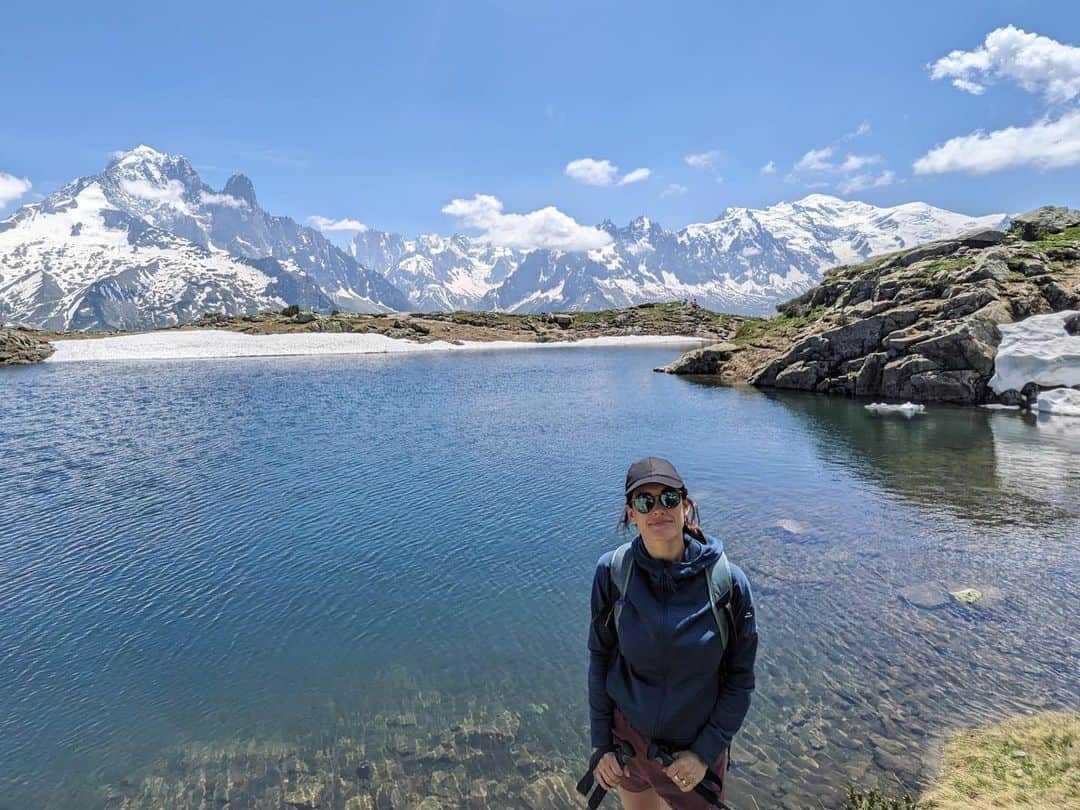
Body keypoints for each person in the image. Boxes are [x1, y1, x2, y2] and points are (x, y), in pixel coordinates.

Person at [586, 457, 757, 809]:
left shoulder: (728, 584)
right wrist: (602, 745)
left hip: (691, 758)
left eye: (668, 498)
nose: (658, 509)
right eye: (644, 502)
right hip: (628, 749)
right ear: (631, 513)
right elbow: (600, 659)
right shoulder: (613, 573)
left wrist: (705, 753)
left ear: (685, 504)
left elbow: (740, 680)